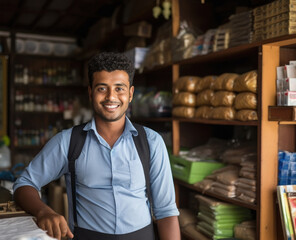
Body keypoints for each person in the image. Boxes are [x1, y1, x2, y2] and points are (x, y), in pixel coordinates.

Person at [13, 52, 181, 240]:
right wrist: (44, 211)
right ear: (90, 92)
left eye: (119, 88)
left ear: (130, 94)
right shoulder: (68, 141)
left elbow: (166, 212)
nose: (111, 97)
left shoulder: (151, 142)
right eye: (102, 88)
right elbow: (24, 183)